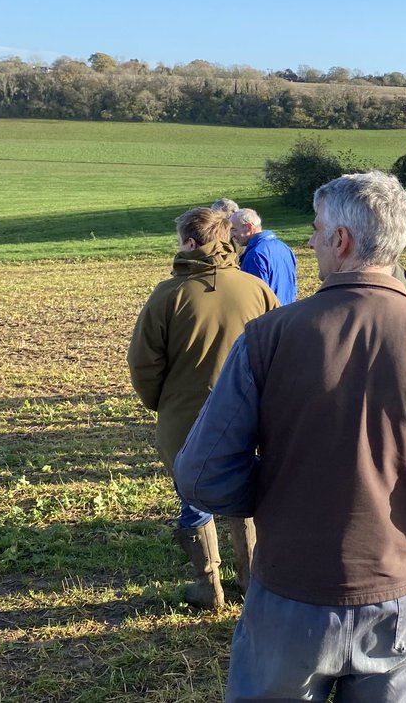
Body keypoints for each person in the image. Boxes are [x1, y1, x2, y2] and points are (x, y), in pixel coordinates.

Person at [174, 171, 406, 702]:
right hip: (403, 594)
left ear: (341, 240)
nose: (308, 241)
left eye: (315, 228)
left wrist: (273, 501)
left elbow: (200, 473)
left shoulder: (267, 339)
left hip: (290, 593)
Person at [127, 207, 278, 610]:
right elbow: (279, 355)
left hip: (186, 419)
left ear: (190, 243)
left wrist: (160, 404)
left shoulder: (167, 295)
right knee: (243, 495)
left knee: (193, 499)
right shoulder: (256, 290)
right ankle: (251, 579)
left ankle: (208, 586)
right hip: (249, 418)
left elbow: (144, 364)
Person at [230, 207, 298, 304]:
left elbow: (255, 298)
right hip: (287, 312)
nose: (231, 235)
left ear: (249, 228)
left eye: (234, 229)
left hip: (269, 316)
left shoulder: (255, 255)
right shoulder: (284, 247)